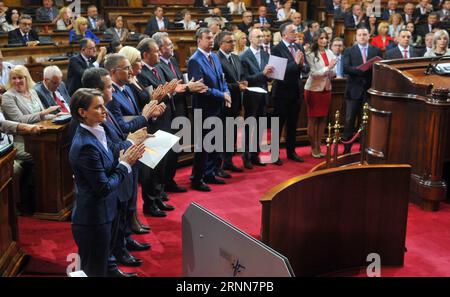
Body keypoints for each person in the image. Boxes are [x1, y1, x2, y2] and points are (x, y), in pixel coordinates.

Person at [69, 88, 145, 277]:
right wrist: (125, 164)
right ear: (82, 112)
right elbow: (103, 187)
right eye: (99, 107)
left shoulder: (98, 130)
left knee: (103, 260)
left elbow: (111, 151)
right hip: (93, 218)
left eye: (104, 105)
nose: (105, 110)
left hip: (106, 211)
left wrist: (128, 145)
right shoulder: (85, 145)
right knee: (93, 270)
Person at [79, 67, 151, 238]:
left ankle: (126, 241)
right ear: (97, 90)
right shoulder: (93, 116)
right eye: (109, 86)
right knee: (116, 216)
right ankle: (120, 247)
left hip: (121, 166)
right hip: (111, 173)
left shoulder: (106, 107)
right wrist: (131, 141)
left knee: (124, 209)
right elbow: (109, 148)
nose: (113, 89)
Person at [152, 32, 208, 191]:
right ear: (159, 48)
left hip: (180, 109)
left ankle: (170, 180)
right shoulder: (157, 65)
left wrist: (189, 86)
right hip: (167, 112)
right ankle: (163, 183)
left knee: (176, 148)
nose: (172, 47)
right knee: (167, 152)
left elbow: (180, 84)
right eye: (168, 45)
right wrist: (186, 87)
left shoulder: (173, 61)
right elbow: (168, 89)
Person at [188, 28, 231, 192]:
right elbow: (201, 88)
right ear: (199, 40)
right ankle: (197, 178)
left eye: (212, 38)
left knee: (215, 142)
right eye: (208, 38)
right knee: (204, 145)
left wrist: (226, 92)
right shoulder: (195, 60)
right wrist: (222, 95)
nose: (211, 41)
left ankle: (210, 172)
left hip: (217, 106)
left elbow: (222, 78)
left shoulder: (214, 56)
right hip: (204, 108)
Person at [271, 22, 309, 164]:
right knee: (278, 124)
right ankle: (274, 154)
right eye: (293, 31)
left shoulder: (298, 47)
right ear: (284, 34)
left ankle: (291, 152)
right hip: (282, 92)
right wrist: (296, 62)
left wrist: (301, 64)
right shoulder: (276, 49)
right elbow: (278, 72)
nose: (296, 33)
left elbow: (306, 69)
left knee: (293, 124)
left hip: (296, 91)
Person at [342, 26, 381, 154]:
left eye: (364, 34)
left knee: (366, 121)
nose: (362, 37)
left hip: (369, 91)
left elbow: (381, 67)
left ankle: (363, 148)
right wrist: (362, 69)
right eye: (359, 35)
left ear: (368, 36)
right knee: (349, 120)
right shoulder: (349, 50)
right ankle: (346, 150)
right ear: (356, 37)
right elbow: (346, 68)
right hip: (353, 91)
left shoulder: (376, 50)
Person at [240, 28, 273, 168]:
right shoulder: (244, 56)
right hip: (251, 96)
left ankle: (255, 155)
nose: (261, 38)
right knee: (249, 127)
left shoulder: (266, 54)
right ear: (250, 38)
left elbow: (268, 76)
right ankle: (246, 156)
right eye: (258, 36)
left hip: (263, 95)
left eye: (262, 36)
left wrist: (270, 76)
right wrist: (263, 73)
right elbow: (246, 79)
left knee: (260, 127)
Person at [217, 31, 246, 173]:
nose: (233, 43)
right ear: (221, 44)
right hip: (224, 102)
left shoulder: (235, 57)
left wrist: (244, 82)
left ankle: (228, 161)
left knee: (232, 132)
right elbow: (219, 83)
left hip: (235, 101)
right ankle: (220, 163)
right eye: (230, 41)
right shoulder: (217, 58)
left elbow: (240, 76)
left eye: (234, 41)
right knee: (223, 134)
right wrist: (237, 86)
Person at [304, 29, 336, 158]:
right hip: (313, 90)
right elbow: (313, 74)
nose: (324, 40)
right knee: (313, 119)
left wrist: (332, 72)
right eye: (321, 38)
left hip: (326, 89)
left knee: (323, 119)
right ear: (316, 39)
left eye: (325, 38)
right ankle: (313, 147)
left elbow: (333, 72)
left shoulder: (330, 52)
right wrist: (328, 68)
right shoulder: (310, 54)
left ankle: (319, 145)